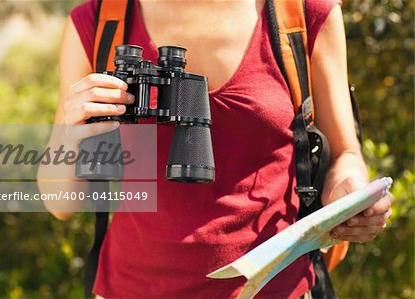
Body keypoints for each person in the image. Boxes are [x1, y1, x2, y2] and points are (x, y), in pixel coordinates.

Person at [39, 0, 393, 297]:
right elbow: (61, 204)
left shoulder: (300, 13)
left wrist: (351, 196)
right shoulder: (99, 21)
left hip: (275, 288)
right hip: (130, 288)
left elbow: (346, 154)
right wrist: (71, 135)